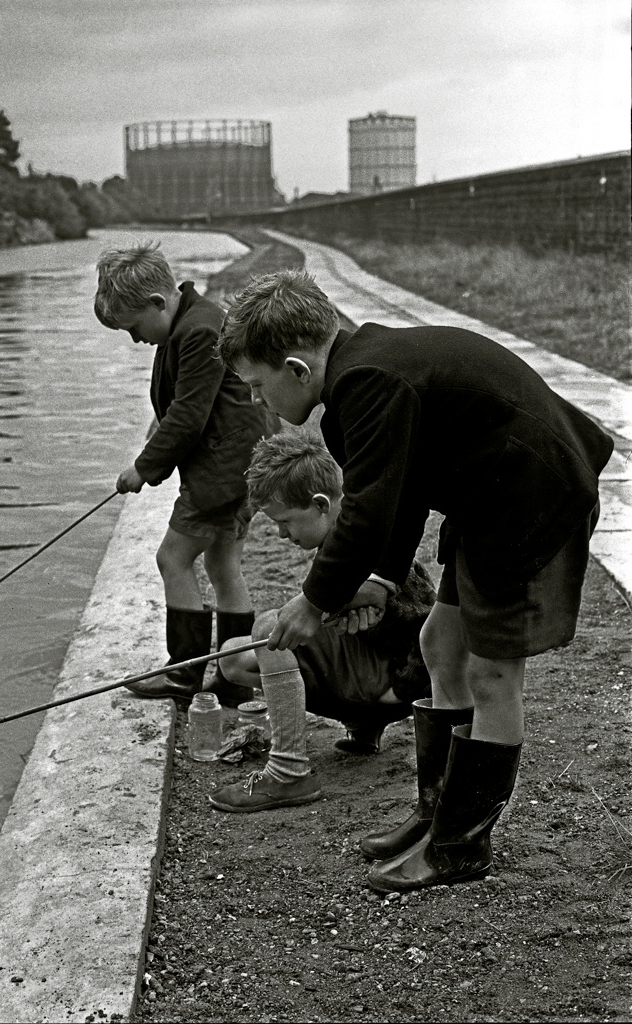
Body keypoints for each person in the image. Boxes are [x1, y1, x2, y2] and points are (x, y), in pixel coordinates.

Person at [215, 268, 614, 892]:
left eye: (257, 386)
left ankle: (460, 847)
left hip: (533, 497)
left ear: (296, 368)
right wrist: (377, 579)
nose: (259, 402)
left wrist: (314, 602)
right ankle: (437, 814)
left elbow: (370, 509)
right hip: (489, 499)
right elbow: (398, 502)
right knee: (438, 645)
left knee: (491, 672)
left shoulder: (368, 380)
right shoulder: (356, 382)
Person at [208, 429, 436, 813]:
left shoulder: (367, 551)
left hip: (397, 687)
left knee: (267, 629)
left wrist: (402, 689)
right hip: (373, 676)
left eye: (285, 522)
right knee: (232, 656)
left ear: (319, 504)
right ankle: (363, 727)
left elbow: (424, 624)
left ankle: (287, 771)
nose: (281, 535)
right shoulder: (337, 544)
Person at [94, 242, 270, 705]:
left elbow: (189, 415)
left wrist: (142, 467)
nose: (135, 339)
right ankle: (236, 676)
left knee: (172, 559)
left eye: (134, 327)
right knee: (222, 563)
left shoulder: (198, 331)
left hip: (223, 469)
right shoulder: (194, 320)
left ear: (158, 302)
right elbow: (184, 406)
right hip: (237, 465)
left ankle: (183, 672)